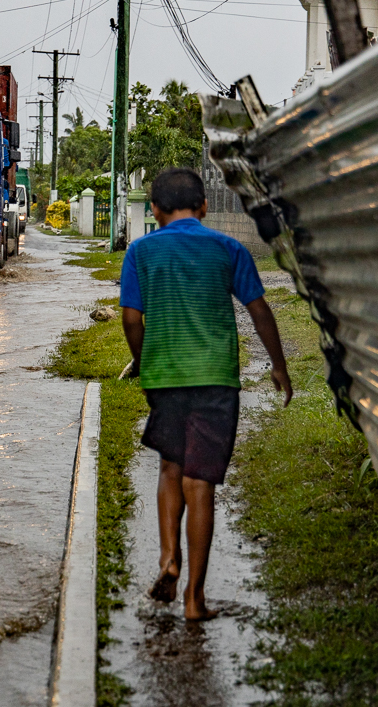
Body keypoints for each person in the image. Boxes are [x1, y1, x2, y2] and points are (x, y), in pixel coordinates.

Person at [119, 167, 292, 620]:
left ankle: (167, 558)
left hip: (165, 376)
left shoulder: (140, 251)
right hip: (217, 379)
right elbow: (260, 311)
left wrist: (141, 360)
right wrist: (278, 365)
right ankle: (195, 599)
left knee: (170, 467)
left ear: (153, 210)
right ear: (204, 206)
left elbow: (132, 320)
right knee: (202, 484)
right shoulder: (228, 248)